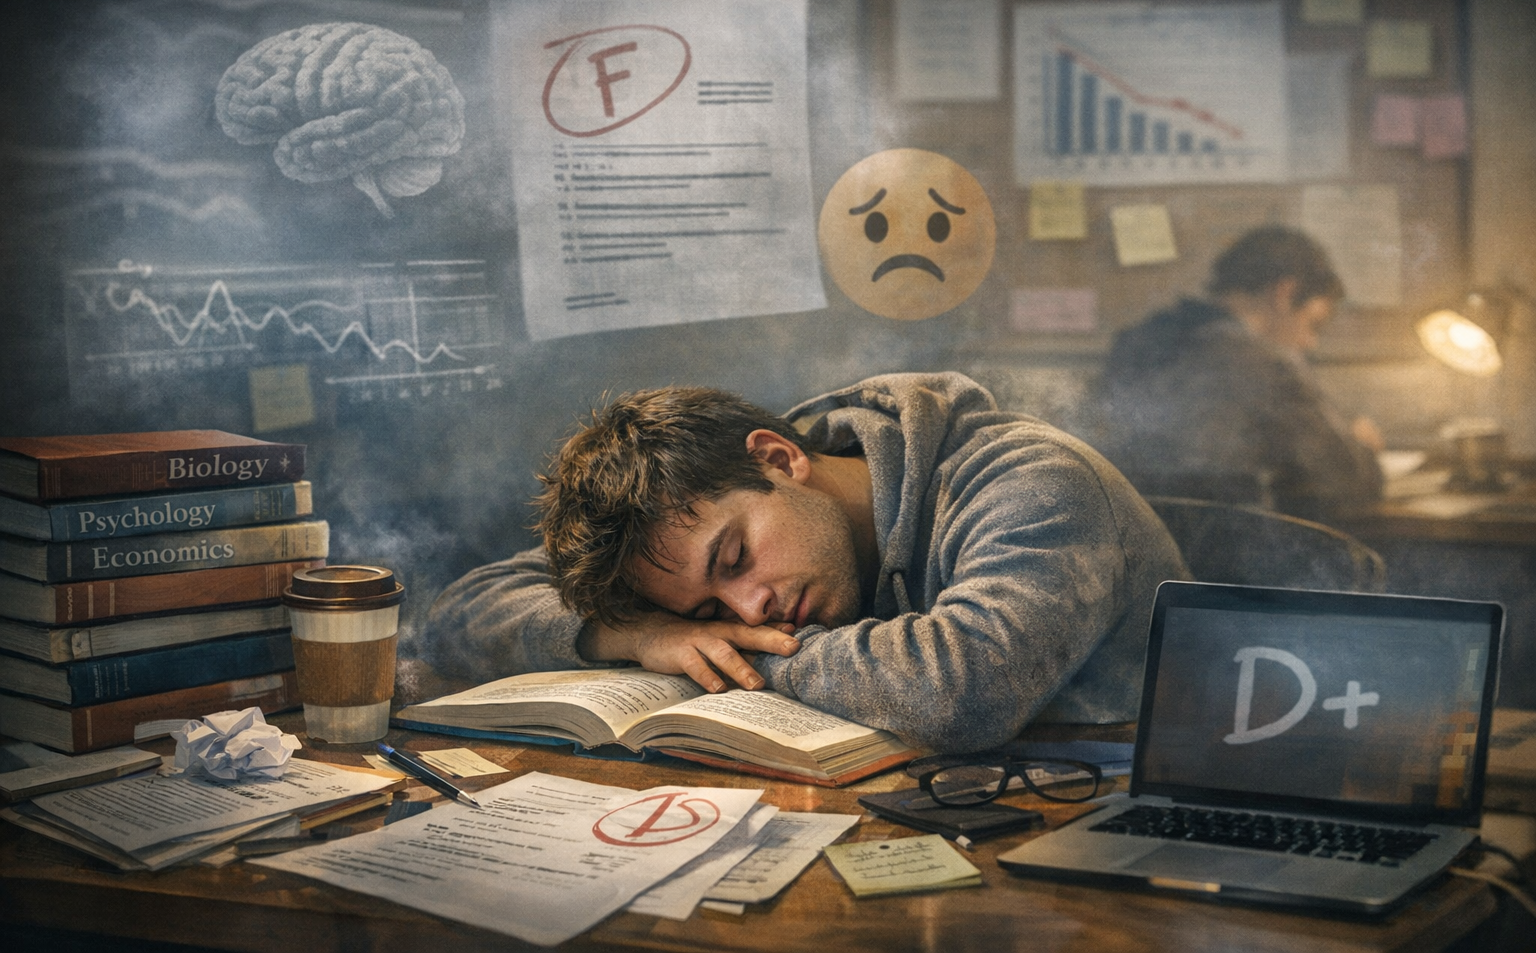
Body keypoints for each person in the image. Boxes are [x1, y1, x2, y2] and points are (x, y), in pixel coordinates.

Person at [422, 372, 1187, 753]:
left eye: (735, 559)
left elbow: (961, 689)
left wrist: (727, 657)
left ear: (781, 459)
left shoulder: (1031, 481)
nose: (747, 609)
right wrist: (644, 633)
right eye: (710, 611)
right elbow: (462, 612)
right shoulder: (692, 517)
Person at [1080, 226, 1384, 518]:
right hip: (1224, 546)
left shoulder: (1138, 340)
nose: (1310, 342)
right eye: (1313, 324)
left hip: (1132, 540)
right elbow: (1351, 482)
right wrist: (1359, 444)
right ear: (1284, 293)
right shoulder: (1262, 363)